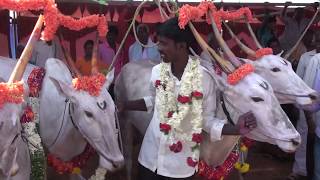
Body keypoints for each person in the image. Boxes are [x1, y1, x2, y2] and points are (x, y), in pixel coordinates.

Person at [118, 17, 257, 180]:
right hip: (149, 159)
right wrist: (125, 105)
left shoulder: (204, 79)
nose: (159, 48)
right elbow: (154, 100)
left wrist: (235, 130)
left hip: (180, 167)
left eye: (163, 43)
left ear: (181, 46)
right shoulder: (157, 71)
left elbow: (206, 120)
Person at [289, 30, 318, 180]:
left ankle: (313, 169)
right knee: (304, 136)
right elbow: (298, 80)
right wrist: (296, 104)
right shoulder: (307, 57)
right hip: (305, 104)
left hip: (316, 107)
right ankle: (299, 170)